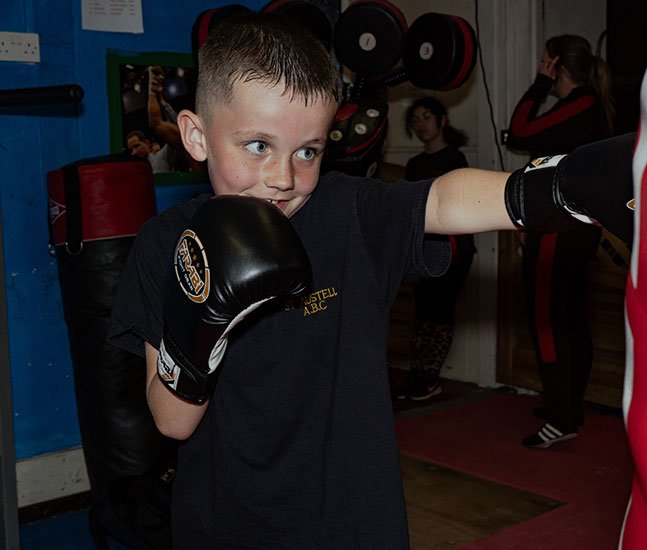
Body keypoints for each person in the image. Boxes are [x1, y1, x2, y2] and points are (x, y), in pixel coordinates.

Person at [108, 13, 522, 548]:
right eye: (258, 145)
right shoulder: (167, 244)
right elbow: (173, 424)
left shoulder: (348, 213)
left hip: (353, 524)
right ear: (195, 135)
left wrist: (561, 189)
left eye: (307, 151)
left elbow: (443, 198)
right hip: (225, 526)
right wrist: (201, 325)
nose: (283, 177)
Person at [504, 34, 615, 449]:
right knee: (569, 320)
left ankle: (563, 415)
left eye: (545, 62)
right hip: (571, 225)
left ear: (556, 66)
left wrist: (537, 85)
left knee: (548, 320)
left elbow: (519, 130)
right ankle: (564, 406)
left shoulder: (580, 105)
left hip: (559, 228)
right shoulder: (583, 107)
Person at [394, 97, 476, 400]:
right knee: (423, 312)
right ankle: (418, 377)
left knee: (440, 312)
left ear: (442, 120)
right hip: (423, 249)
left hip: (456, 249)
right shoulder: (415, 164)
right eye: (415, 119)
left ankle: (430, 379)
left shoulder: (455, 159)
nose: (421, 123)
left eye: (427, 116)